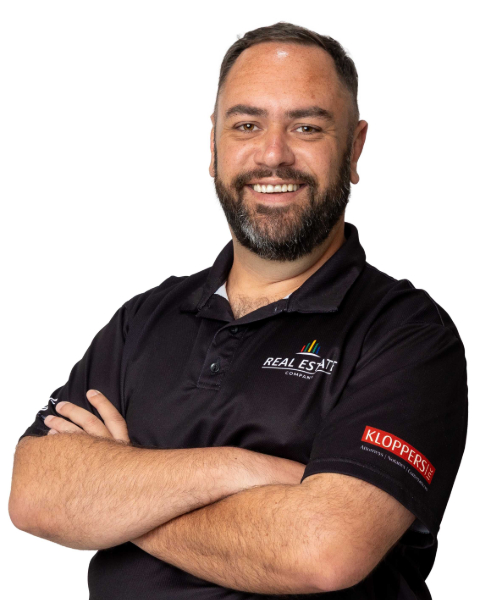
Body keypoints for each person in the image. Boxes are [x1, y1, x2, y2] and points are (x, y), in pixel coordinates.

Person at [9, 22, 468, 600]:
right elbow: (34, 493)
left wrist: (116, 496)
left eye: (306, 127)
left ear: (354, 149)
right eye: (247, 125)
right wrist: (237, 468)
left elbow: (322, 551)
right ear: (213, 146)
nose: (273, 155)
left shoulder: (408, 334)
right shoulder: (143, 321)